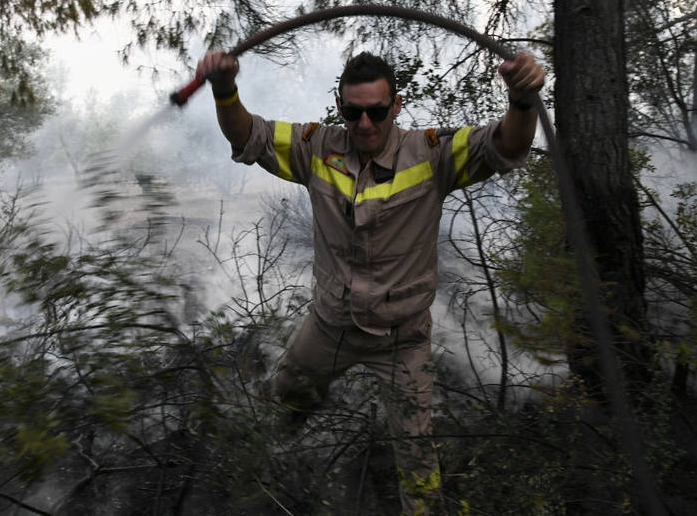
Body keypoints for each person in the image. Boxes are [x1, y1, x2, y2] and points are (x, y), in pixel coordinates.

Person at [196, 48, 545, 513]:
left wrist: (522, 101)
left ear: (395, 106)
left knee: (418, 456)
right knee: (285, 398)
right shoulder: (316, 147)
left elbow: (506, 145)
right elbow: (249, 135)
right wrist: (224, 90)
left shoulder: (432, 153)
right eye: (353, 111)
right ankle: (269, 479)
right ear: (340, 107)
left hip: (401, 339)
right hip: (330, 327)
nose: (364, 124)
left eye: (377, 112)